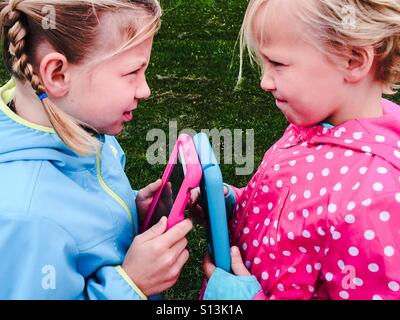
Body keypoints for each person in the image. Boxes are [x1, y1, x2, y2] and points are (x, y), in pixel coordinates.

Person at [200, 0, 400, 300]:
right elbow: (288, 214)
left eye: (278, 64)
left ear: (353, 61)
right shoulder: (312, 128)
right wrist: (230, 205)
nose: (265, 81)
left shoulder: (375, 197)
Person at [0, 0, 192, 299]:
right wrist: (131, 286)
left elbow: (80, 212)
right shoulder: (28, 218)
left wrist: (132, 209)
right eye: (132, 72)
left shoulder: (77, 126)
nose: (145, 90)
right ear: (57, 75)